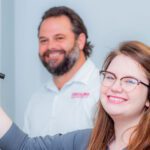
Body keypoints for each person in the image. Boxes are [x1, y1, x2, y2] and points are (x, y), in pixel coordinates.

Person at [0, 40, 149, 150]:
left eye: (129, 81)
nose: (116, 87)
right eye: (110, 77)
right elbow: (22, 146)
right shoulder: (84, 141)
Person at [23, 6, 100, 136]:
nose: (51, 46)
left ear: (80, 41)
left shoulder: (104, 89)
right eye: (43, 40)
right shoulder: (37, 99)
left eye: (59, 38)